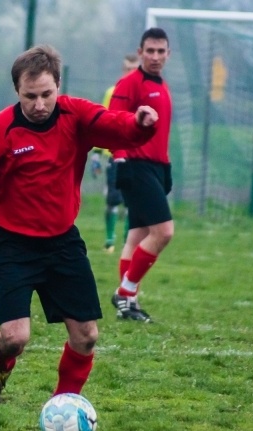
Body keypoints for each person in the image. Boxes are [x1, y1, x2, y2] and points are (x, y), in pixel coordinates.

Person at [0, 45, 158, 409]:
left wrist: (139, 123)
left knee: (86, 336)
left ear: (58, 85)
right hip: (13, 247)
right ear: (17, 91)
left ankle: (64, 405)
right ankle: (0, 364)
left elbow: (115, 127)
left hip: (62, 244)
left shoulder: (75, 114)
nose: (39, 104)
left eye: (46, 94)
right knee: (15, 338)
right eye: (30, 96)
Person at [108, 28, 173, 324]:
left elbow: (161, 135)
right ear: (140, 52)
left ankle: (128, 304)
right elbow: (113, 122)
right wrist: (120, 159)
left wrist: (166, 167)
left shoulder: (162, 85)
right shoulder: (130, 83)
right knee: (163, 232)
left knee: (138, 235)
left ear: (168, 54)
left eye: (161, 51)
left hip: (155, 168)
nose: (155, 56)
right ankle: (125, 292)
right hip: (136, 165)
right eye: (150, 51)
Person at [91, 53, 140, 253]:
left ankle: (128, 241)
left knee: (132, 201)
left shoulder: (143, 95)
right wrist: (96, 153)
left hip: (136, 156)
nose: (130, 73)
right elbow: (103, 122)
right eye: (127, 69)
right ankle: (109, 240)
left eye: (133, 69)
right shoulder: (112, 92)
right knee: (113, 198)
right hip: (115, 155)